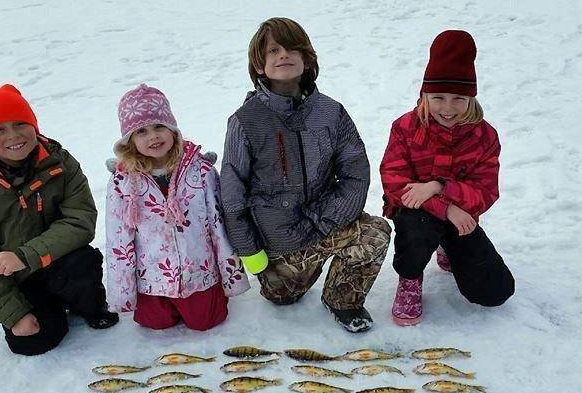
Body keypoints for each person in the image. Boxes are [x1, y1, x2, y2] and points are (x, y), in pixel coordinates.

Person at [220, 17, 391, 333]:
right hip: (278, 249)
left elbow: (355, 173)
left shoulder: (331, 112)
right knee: (282, 299)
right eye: (273, 50)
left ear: (307, 57)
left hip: (323, 224)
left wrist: (322, 219)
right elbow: (232, 193)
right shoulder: (245, 121)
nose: (282, 55)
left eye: (291, 48)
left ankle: (343, 300)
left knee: (375, 232)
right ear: (259, 65)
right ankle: (285, 282)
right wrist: (250, 252)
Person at [0, 84, 118, 355]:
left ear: (34, 125)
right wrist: (13, 313)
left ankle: (86, 305)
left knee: (83, 263)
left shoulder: (61, 163)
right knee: (33, 342)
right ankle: (43, 308)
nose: (13, 135)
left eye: (20, 123)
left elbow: (80, 222)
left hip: (62, 262)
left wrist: (26, 255)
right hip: (18, 280)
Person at [380, 30, 515, 326]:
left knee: (496, 291)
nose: (448, 108)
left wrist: (438, 186)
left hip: (461, 218)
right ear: (424, 94)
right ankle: (410, 278)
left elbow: (486, 191)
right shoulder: (404, 127)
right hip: (417, 213)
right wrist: (445, 207)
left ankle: (447, 247)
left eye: (458, 98)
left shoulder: (485, 136)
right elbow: (394, 183)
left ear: (472, 97)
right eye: (438, 97)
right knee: (415, 225)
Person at [106, 84, 249, 330]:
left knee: (207, 321)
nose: (153, 136)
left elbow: (218, 227)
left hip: (199, 274)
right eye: (141, 131)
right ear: (129, 141)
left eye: (160, 126)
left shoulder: (200, 172)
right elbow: (118, 240)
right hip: (152, 279)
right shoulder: (123, 182)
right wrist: (123, 294)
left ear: (173, 130)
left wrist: (231, 279)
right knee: (155, 323)